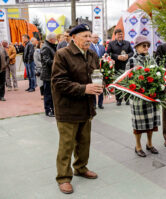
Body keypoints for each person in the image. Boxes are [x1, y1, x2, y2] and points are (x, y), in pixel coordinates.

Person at [52, 24, 103, 194]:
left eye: (90, 36)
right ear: (74, 38)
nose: (89, 39)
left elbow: (96, 74)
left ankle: (81, 167)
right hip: (67, 108)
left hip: (86, 106)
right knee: (66, 145)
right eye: (85, 36)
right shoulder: (62, 55)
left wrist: (101, 84)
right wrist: (84, 89)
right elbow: (59, 82)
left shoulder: (92, 54)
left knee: (84, 141)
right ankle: (63, 178)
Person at [126, 35, 160, 157]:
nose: (146, 48)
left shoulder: (151, 59)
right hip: (138, 97)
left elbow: (157, 74)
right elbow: (127, 78)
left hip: (151, 96)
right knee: (139, 124)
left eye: (147, 46)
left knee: (151, 122)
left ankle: (149, 144)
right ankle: (138, 146)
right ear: (137, 47)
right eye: (143, 46)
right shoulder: (132, 60)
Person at [107, 28, 134, 106]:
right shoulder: (111, 44)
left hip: (127, 66)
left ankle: (127, 99)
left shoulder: (127, 43)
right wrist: (117, 56)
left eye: (121, 34)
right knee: (118, 83)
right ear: (115, 36)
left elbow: (132, 52)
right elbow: (108, 53)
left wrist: (127, 56)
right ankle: (118, 100)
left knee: (127, 83)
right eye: (118, 34)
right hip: (117, 67)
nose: (120, 36)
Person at [41, 33, 57, 117]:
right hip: (47, 75)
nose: (56, 41)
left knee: (51, 93)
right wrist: (57, 62)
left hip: (51, 74)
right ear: (51, 39)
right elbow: (46, 61)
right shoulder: (46, 47)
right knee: (48, 93)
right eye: (55, 39)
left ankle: (52, 109)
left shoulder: (50, 46)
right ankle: (48, 110)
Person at [90, 33, 106, 109]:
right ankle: (93, 104)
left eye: (97, 37)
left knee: (101, 85)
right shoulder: (89, 47)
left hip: (101, 69)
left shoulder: (102, 47)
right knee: (93, 85)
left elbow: (105, 56)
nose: (96, 39)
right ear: (91, 38)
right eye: (94, 37)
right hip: (92, 69)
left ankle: (100, 103)